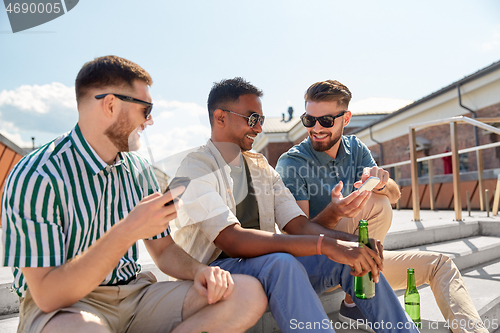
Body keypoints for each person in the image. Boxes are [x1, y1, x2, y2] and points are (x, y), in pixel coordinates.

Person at [1, 56, 267, 333]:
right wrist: (127, 231)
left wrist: (200, 271)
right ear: (111, 105)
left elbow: (163, 250)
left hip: (134, 295)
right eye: (145, 109)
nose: (150, 121)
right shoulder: (37, 175)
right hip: (62, 309)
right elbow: (47, 294)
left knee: (246, 293)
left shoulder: (137, 168)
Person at [170, 77, 420, 333]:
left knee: (352, 255)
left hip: (268, 266)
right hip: (217, 273)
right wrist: (327, 244)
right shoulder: (195, 168)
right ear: (220, 117)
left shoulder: (261, 168)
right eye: (252, 119)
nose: (259, 129)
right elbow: (232, 241)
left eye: (261, 120)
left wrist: (351, 243)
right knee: (282, 262)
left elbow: (298, 225)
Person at [276, 80, 487, 333]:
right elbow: (297, 233)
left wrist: (382, 183)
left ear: (346, 118)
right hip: (322, 262)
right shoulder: (292, 162)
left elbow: (395, 195)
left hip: (361, 262)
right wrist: (335, 212)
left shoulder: (355, 148)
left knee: (440, 264)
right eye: (309, 120)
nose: (316, 128)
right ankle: (357, 292)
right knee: (375, 204)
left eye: (327, 121)